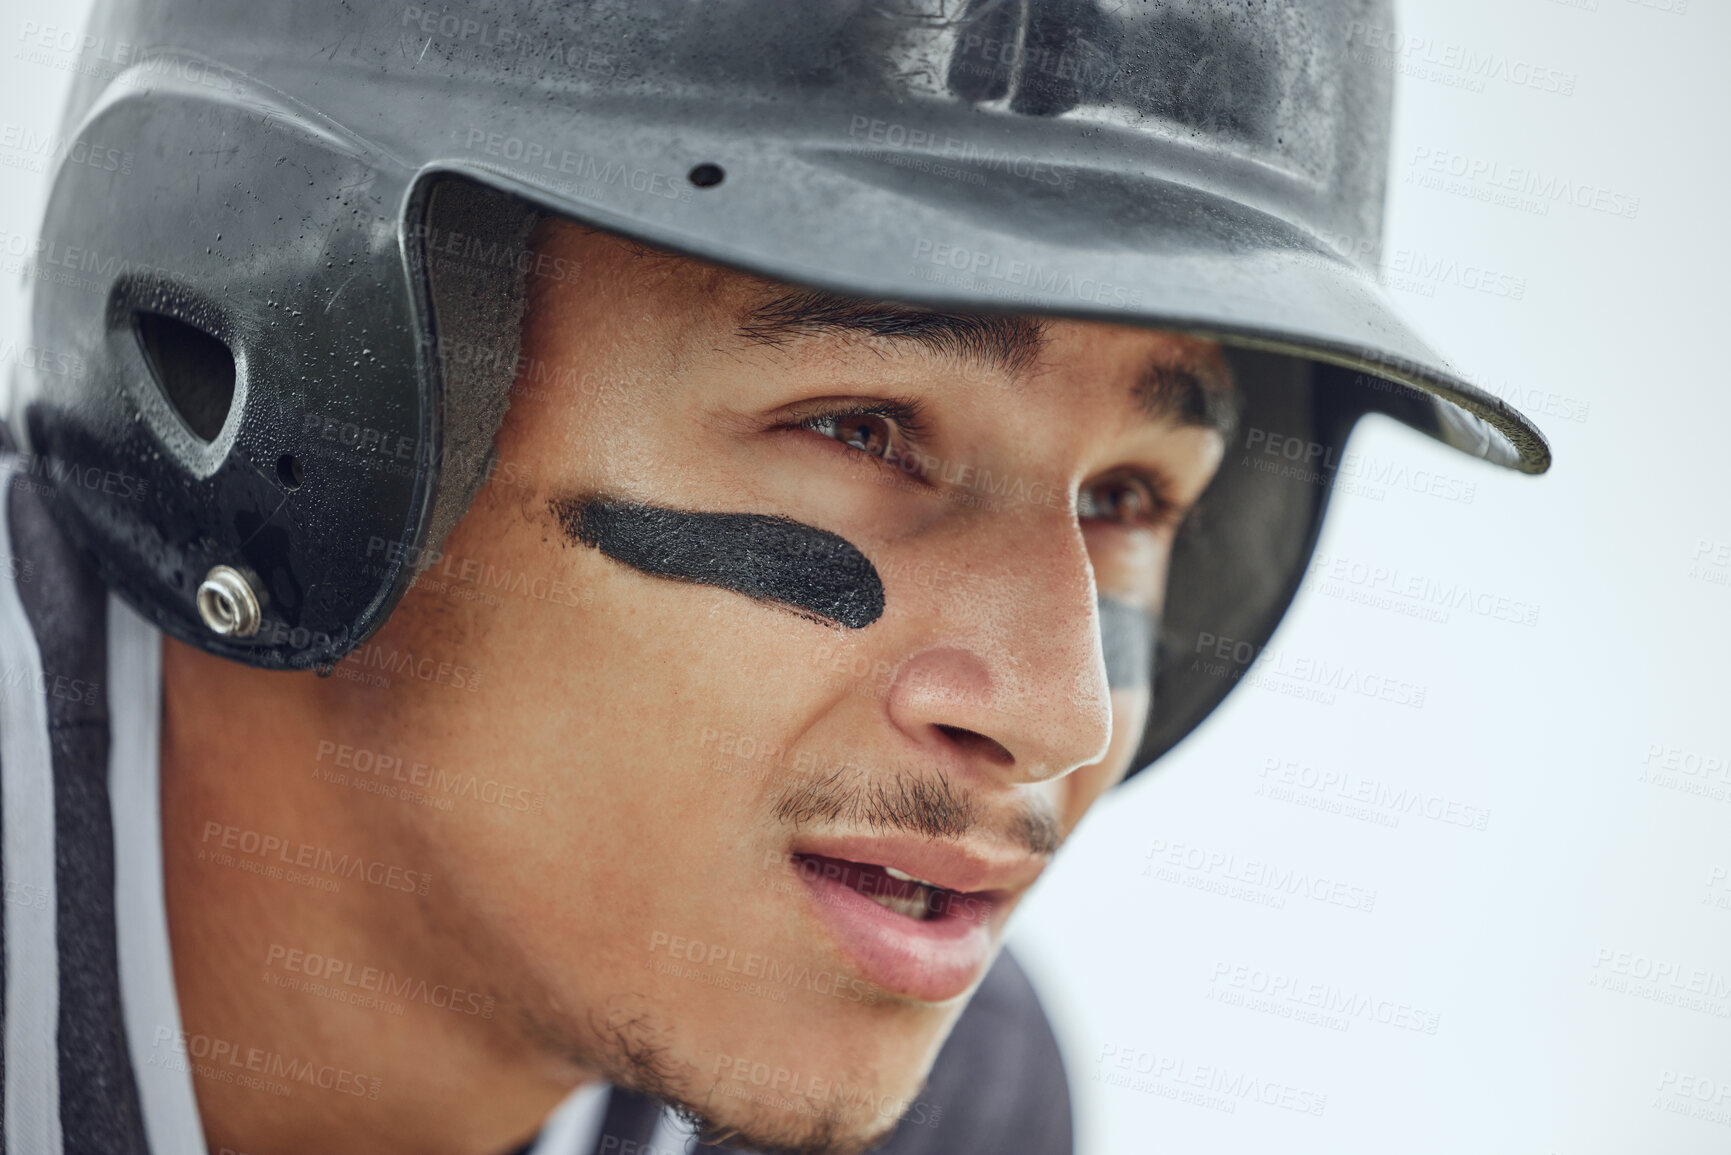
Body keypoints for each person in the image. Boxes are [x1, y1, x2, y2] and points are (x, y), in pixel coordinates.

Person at [0, 2, 1551, 1154]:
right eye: (865, 428)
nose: (1061, 713)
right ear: (275, 383)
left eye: (1133, 496)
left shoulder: (960, 1110)